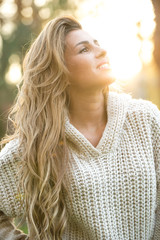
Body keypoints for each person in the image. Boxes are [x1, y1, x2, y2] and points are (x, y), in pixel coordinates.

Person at [0, 15, 160, 240]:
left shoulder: (145, 119)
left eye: (98, 44)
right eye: (84, 50)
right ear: (60, 71)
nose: (102, 51)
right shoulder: (40, 143)